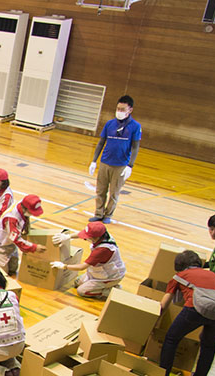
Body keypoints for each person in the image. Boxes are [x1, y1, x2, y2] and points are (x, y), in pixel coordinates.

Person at [159, 250, 215, 376]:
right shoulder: (211, 275)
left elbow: (164, 304)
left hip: (195, 309)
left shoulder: (179, 276)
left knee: (172, 338)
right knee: (208, 345)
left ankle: (162, 375)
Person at [89, 95, 141, 224]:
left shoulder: (135, 126)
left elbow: (135, 147)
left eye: (123, 109)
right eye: (118, 108)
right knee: (100, 190)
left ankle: (108, 215)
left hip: (120, 165)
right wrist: (94, 161)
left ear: (130, 110)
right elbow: (101, 142)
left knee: (114, 193)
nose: (119, 111)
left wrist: (130, 165)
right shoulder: (109, 124)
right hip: (105, 162)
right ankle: (98, 213)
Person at [0, 193, 46, 275]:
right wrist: (34, 247)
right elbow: (16, 239)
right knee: (2, 273)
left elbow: (25, 219)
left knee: (13, 269)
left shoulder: (23, 204)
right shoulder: (11, 218)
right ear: (25, 208)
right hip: (0, 245)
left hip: (10, 244)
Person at [51, 220, 127, 299]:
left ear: (96, 237)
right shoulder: (103, 235)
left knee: (82, 291)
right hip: (98, 272)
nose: (85, 238)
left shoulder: (102, 250)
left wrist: (64, 266)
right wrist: (68, 236)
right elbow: (81, 234)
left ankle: (111, 290)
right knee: (78, 282)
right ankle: (99, 285)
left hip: (110, 276)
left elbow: (82, 267)